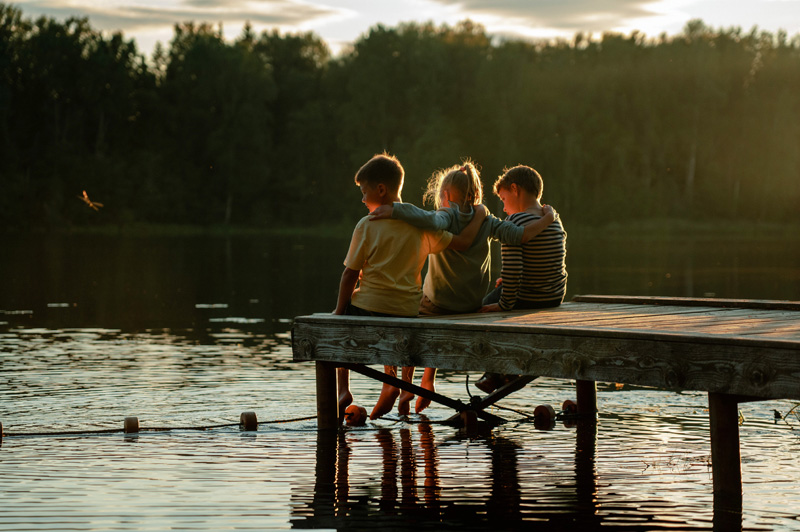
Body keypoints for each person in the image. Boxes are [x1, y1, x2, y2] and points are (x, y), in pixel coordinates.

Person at [369, 161, 557, 410]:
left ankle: (403, 387)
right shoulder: (487, 220)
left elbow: (427, 219)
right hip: (471, 304)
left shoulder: (446, 215)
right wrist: (548, 218)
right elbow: (520, 235)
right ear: (475, 194)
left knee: (408, 311)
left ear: (446, 195)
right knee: (434, 310)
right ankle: (428, 380)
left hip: (439, 303)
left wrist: (395, 210)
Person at [333, 153, 487, 420]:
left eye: (364, 192)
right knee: (402, 322)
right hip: (406, 311)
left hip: (370, 308)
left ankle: (343, 390)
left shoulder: (367, 225)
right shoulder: (420, 226)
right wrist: (481, 213)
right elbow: (461, 243)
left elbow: (350, 273)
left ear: (381, 190)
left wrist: (339, 311)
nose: (362, 199)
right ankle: (400, 385)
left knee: (338, 327)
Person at [476, 164, 568, 392]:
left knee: (483, 307)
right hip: (553, 296)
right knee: (500, 294)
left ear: (515, 189)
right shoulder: (554, 220)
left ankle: (496, 372)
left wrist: (504, 304)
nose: (504, 207)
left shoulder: (515, 222)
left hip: (528, 297)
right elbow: (549, 262)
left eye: (504, 199)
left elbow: (513, 269)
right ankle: (501, 374)